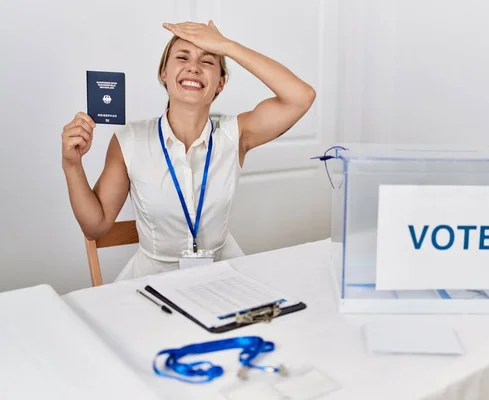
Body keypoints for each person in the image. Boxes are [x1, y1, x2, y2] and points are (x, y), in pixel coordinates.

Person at [61, 21, 316, 280]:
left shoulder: (235, 134)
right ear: (164, 73)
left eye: (207, 62)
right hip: (153, 283)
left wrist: (227, 46)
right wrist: (72, 165)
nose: (193, 67)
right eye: (183, 57)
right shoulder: (130, 139)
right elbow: (96, 226)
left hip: (223, 274)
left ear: (220, 83)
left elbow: (301, 97)